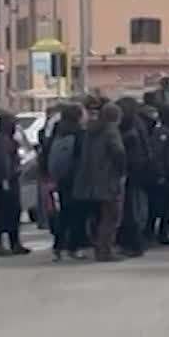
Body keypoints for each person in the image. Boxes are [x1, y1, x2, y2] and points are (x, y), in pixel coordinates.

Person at [72, 102, 126, 262]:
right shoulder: (111, 131)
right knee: (113, 216)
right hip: (110, 178)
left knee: (103, 216)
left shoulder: (91, 131)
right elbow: (118, 152)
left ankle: (101, 248)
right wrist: (122, 171)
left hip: (92, 179)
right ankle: (105, 250)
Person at [44, 103, 86, 260]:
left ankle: (58, 246)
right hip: (77, 178)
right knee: (78, 214)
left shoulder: (57, 131)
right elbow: (83, 158)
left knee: (64, 213)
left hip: (61, 179)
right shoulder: (80, 133)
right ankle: (74, 247)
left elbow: (46, 152)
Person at [0, 112, 29, 257]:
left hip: (10, 180)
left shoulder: (7, 139)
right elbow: (3, 163)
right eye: (13, 123)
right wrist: (5, 180)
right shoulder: (1, 141)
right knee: (2, 214)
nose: (15, 127)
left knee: (13, 213)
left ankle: (15, 243)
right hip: (5, 182)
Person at [116, 98, 150, 258]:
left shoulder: (128, 129)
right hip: (139, 171)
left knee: (130, 209)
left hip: (130, 172)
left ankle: (134, 243)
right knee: (135, 208)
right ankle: (136, 242)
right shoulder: (139, 124)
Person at [151, 106, 169, 244]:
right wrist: (162, 173)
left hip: (167, 174)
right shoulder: (163, 133)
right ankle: (161, 232)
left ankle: (160, 231)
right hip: (166, 175)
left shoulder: (165, 132)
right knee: (163, 206)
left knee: (164, 206)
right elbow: (160, 155)